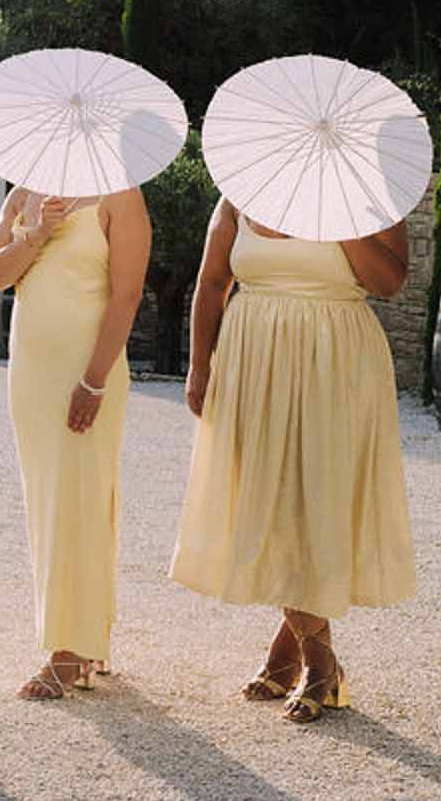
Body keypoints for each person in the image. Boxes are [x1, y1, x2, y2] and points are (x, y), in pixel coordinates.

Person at [170, 199, 414, 724]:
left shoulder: (368, 194)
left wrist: (339, 222)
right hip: (251, 359)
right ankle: (298, 655)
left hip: (336, 360)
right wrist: (199, 367)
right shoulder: (242, 191)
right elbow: (212, 283)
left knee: (313, 505)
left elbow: (390, 282)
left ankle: (316, 665)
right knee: (264, 503)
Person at [0, 187, 150, 700]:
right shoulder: (23, 194)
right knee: (49, 501)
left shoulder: (122, 197)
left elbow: (127, 294)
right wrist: (37, 231)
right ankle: (82, 633)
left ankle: (68, 650)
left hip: (87, 369)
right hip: (32, 372)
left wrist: (95, 378)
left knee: (82, 497)